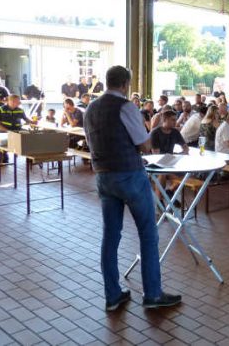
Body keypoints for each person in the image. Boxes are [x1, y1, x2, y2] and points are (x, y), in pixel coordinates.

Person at [83, 66, 180, 311]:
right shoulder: (127, 107)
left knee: (110, 236)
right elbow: (146, 145)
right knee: (148, 233)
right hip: (129, 175)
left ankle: (113, 295)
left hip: (103, 176)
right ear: (125, 84)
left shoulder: (91, 108)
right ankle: (153, 294)